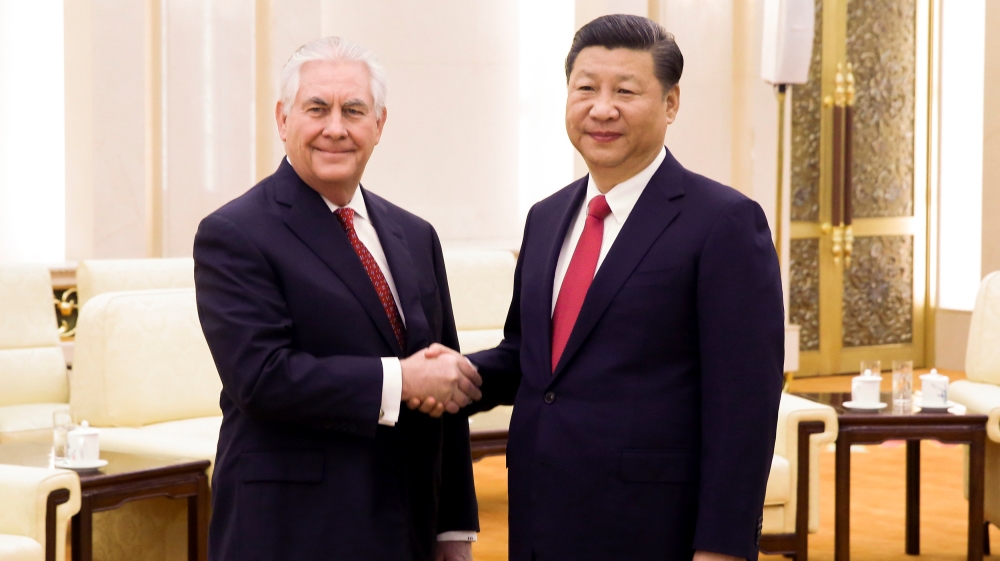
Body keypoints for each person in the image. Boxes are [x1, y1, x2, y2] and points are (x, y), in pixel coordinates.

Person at [422, 14, 784, 561]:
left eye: (626, 91)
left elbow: (745, 404)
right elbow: (531, 357)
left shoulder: (724, 222)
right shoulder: (546, 218)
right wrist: (453, 376)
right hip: (542, 516)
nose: (602, 108)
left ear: (670, 103)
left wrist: (723, 547)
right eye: (586, 88)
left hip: (652, 526)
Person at [193, 37, 481, 561]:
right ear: (283, 119)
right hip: (292, 531)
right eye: (316, 108)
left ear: (379, 124)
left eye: (353, 110)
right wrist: (400, 380)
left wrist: (453, 529)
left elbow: (445, 385)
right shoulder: (235, 233)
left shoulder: (416, 236)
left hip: (406, 529)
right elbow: (261, 378)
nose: (335, 127)